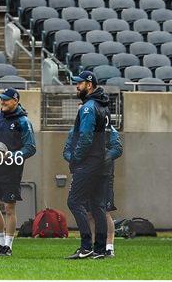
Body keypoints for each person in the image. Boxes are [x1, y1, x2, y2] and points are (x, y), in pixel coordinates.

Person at [0, 87, 36, 257]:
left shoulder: (24, 122)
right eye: (1, 99)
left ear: (15, 101)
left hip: (12, 170)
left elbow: (30, 147)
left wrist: (11, 156)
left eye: (6, 99)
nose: (2, 102)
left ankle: (8, 246)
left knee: (9, 208)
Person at [63, 71, 111, 260]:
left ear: (89, 85)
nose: (77, 86)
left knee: (74, 202)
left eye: (79, 83)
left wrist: (76, 158)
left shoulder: (88, 107)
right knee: (97, 205)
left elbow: (86, 137)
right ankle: (100, 249)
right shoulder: (103, 106)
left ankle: (86, 246)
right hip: (103, 163)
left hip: (89, 162)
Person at [64, 115, 123, 258]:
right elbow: (67, 151)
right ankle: (92, 246)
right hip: (84, 174)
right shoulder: (75, 131)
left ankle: (109, 247)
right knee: (89, 212)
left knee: (104, 210)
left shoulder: (108, 130)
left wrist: (100, 160)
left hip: (103, 174)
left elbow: (117, 148)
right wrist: (78, 161)